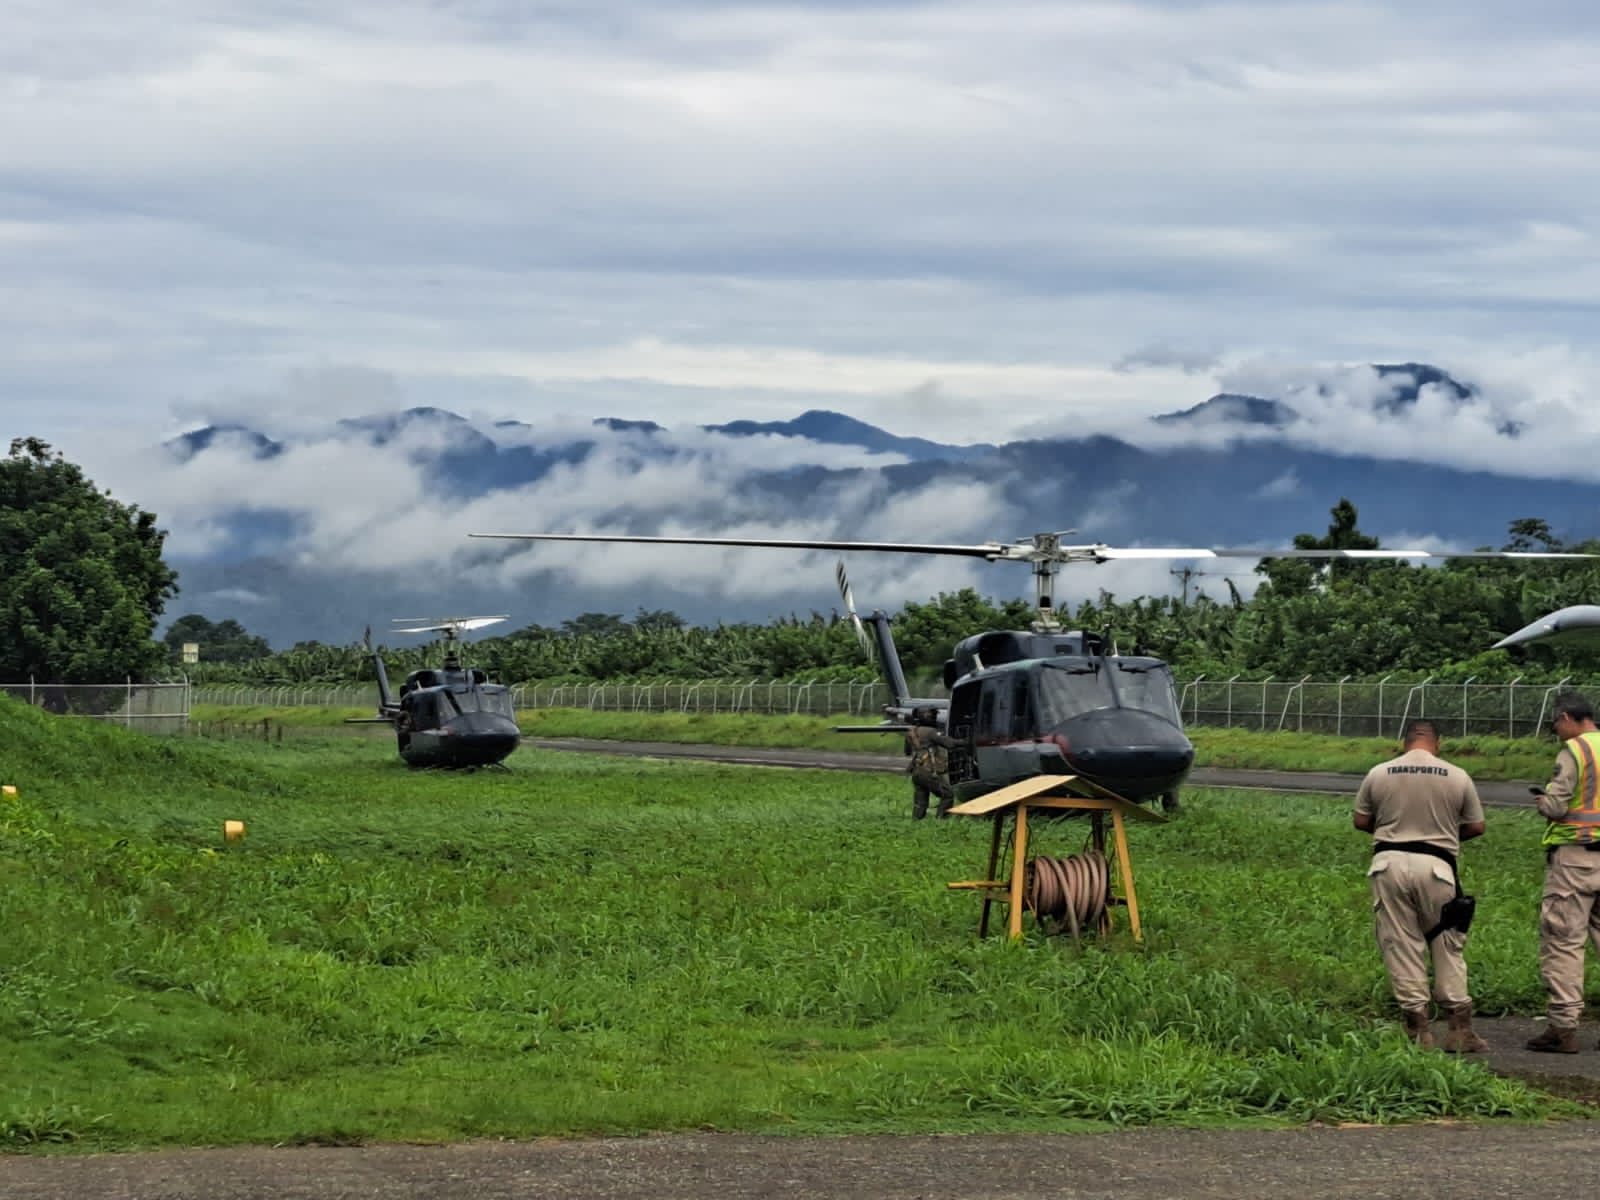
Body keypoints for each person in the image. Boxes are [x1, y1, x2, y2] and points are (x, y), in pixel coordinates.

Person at [1354, 717, 1488, 1051]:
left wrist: (1393, 832)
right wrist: (1443, 838)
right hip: (1437, 866)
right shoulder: (1457, 775)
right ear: (1437, 743)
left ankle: (1418, 1029)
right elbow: (1476, 826)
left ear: (1405, 742)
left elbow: (1361, 820)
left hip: (1388, 864)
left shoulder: (1379, 773)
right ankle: (1459, 1029)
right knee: (1447, 941)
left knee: (1400, 942)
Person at [1526, 692, 1600, 1054]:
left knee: (1564, 940)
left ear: (1567, 718)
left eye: (1555, 723)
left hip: (1576, 859)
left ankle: (1563, 1027)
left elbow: (1557, 807)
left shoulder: (1575, 750)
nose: (1555, 730)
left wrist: (1544, 801)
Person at [904, 707, 955, 820]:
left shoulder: (911, 732)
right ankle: (941, 820)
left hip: (917, 772)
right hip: (928, 771)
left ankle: (916, 821)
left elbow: (907, 752)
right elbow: (949, 744)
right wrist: (964, 741)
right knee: (948, 795)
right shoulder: (930, 732)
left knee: (920, 800)